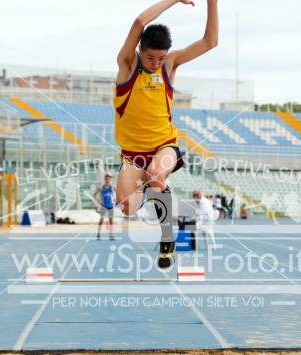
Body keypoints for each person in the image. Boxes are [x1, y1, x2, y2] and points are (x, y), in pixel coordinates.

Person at [114, 0, 218, 268]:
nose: (155, 63)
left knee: (157, 175)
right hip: (132, 154)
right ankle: (153, 192)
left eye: (161, 58)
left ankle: (167, 238)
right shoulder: (127, 64)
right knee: (127, 206)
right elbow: (139, 22)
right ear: (140, 50)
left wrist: (212, 3)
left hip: (164, 145)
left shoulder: (169, 64)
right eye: (151, 58)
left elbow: (210, 42)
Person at [93, 174, 116, 241]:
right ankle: (98, 234)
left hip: (110, 206)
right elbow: (94, 195)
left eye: (109, 179)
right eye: (106, 179)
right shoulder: (101, 187)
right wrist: (99, 202)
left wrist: (115, 200)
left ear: (110, 179)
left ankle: (111, 235)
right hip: (104, 206)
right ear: (105, 179)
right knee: (101, 220)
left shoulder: (112, 187)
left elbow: (118, 193)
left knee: (111, 221)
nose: (107, 180)